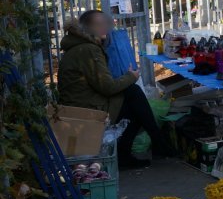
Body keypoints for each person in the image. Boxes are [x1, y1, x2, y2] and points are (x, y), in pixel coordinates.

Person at [57, 10, 174, 169]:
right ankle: (156, 143)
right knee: (134, 96)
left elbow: (101, 84)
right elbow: (108, 87)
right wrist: (131, 76)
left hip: (84, 105)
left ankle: (152, 144)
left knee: (133, 98)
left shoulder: (80, 47)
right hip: (87, 111)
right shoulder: (88, 50)